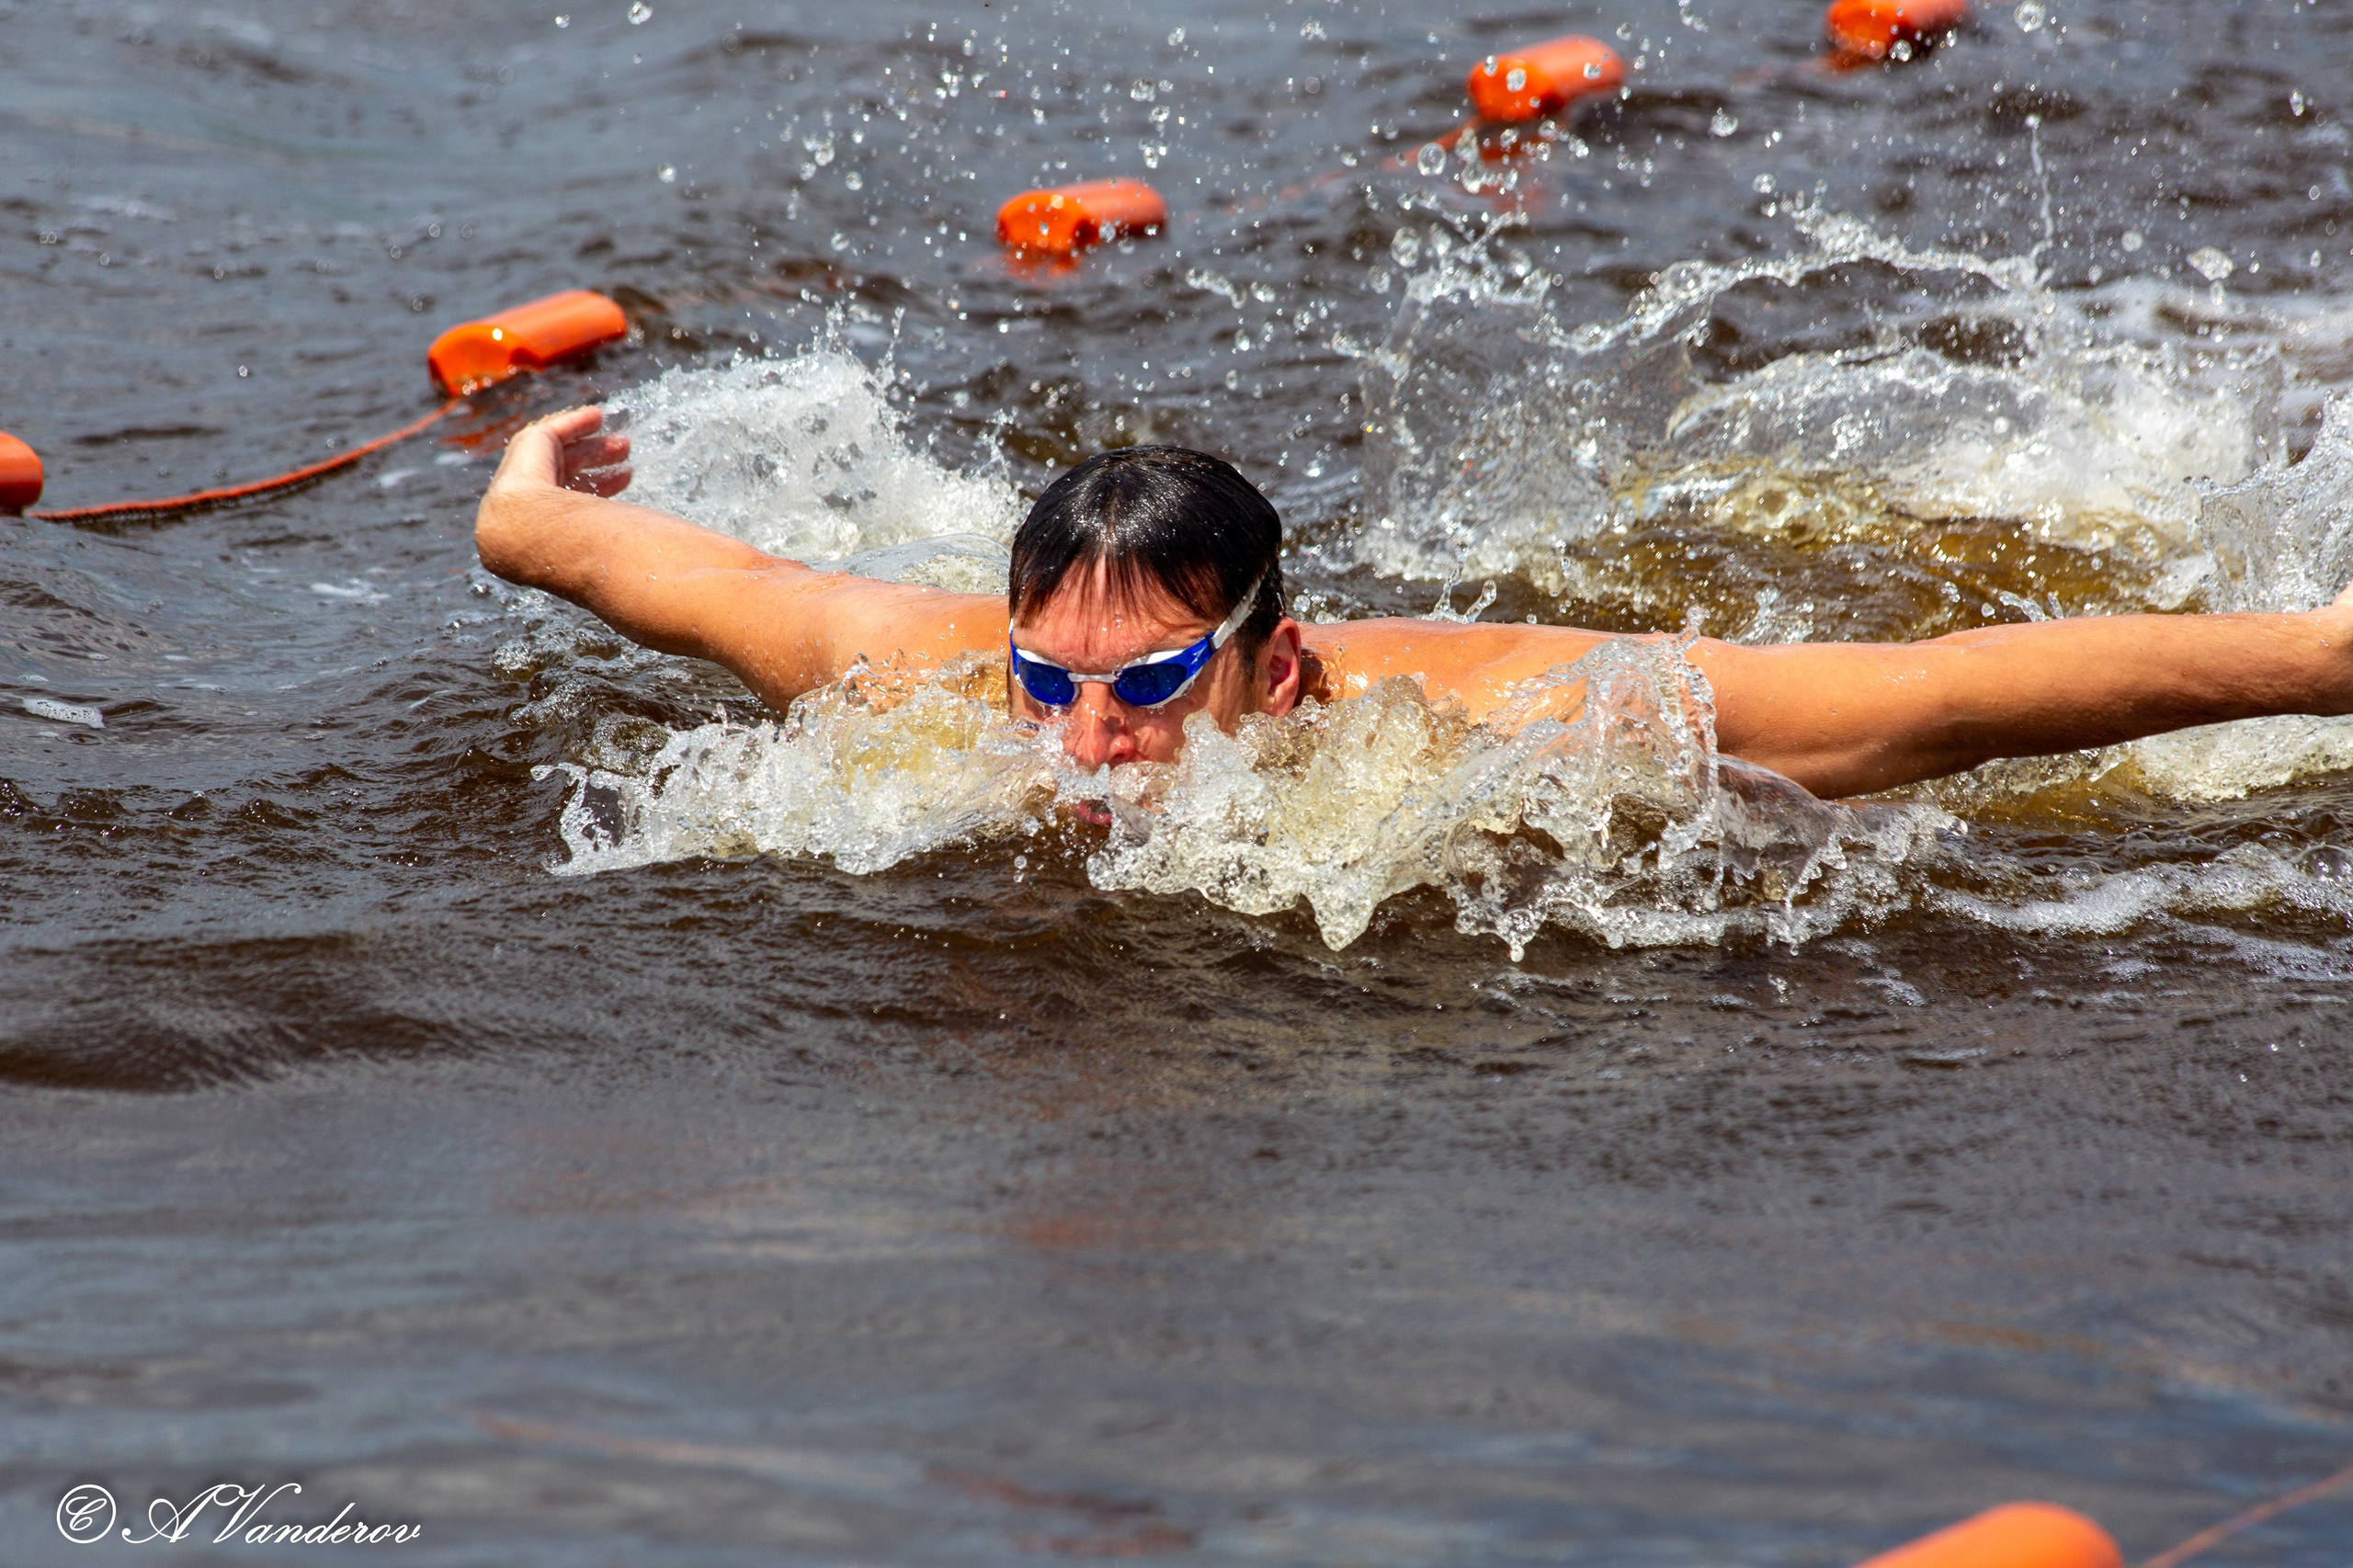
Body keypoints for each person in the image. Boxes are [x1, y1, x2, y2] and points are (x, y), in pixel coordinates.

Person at [475, 406, 2353, 807]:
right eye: (1047, 685)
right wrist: (522, 491)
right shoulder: (932, 684)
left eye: (1146, 686)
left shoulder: (1489, 721)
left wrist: (2330, 658)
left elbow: (1941, 693)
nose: (1085, 741)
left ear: (1272, 664)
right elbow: (630, 563)